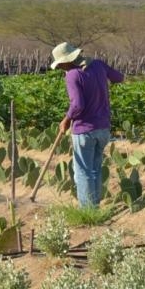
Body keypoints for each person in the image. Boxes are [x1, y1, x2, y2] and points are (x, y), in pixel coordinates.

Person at [51, 42, 124, 208]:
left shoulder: (72, 75)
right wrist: (99, 82)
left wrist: (66, 119)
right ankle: (95, 206)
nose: (61, 68)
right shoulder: (98, 65)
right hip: (103, 129)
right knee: (95, 169)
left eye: (61, 64)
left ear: (68, 60)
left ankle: (87, 210)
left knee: (83, 172)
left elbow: (77, 105)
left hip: (84, 130)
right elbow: (119, 77)